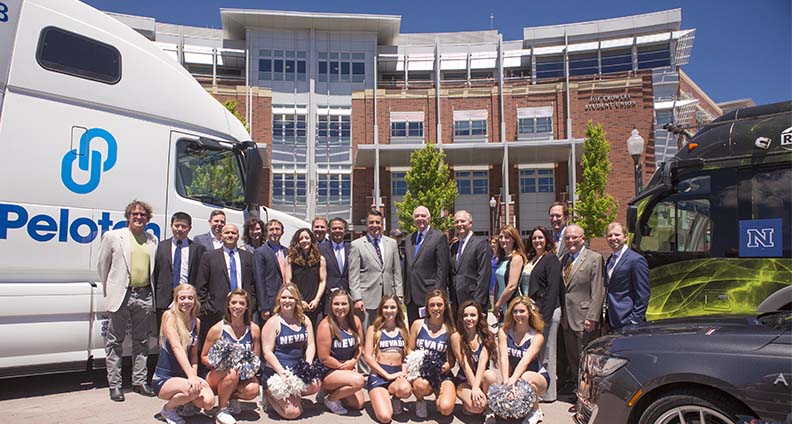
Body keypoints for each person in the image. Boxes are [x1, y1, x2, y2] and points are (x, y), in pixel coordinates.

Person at [97, 200, 158, 402]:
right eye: (135, 214)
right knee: (115, 342)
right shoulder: (114, 237)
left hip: (144, 296)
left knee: (142, 341)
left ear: (148, 219)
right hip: (122, 295)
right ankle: (115, 385)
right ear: (128, 216)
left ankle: (139, 382)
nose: (138, 217)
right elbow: (103, 267)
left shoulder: (152, 240)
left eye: (142, 215)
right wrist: (111, 291)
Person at [195, 224, 257, 376]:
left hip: (242, 310)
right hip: (215, 311)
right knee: (212, 346)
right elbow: (201, 285)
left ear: (238, 236)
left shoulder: (247, 256)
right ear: (221, 236)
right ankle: (209, 378)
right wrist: (205, 308)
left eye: (233, 233)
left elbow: (253, 283)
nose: (230, 235)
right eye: (227, 232)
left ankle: (241, 375)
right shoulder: (209, 256)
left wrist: (251, 305)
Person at [152, 284, 215, 424]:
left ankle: (185, 403)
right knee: (190, 389)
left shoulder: (196, 322)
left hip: (184, 375)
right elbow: (176, 347)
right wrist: (192, 378)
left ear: (195, 301)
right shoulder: (169, 316)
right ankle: (168, 409)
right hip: (164, 377)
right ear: (176, 300)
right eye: (182, 298)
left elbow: (193, 355)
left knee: (209, 402)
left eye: (190, 298)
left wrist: (194, 375)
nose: (186, 301)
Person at [559, 224, 604, 413]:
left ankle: (588, 400)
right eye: (567, 238)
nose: (570, 241)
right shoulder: (563, 260)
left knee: (587, 363)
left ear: (582, 239)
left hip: (585, 318)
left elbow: (598, 290)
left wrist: (592, 316)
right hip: (568, 319)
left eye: (574, 237)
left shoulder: (594, 259)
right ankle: (579, 396)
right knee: (574, 361)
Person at [260, 284, 321, 419]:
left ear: (297, 301)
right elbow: (267, 353)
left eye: (291, 298)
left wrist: (308, 364)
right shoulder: (273, 322)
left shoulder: (304, 320)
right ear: (279, 300)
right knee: (293, 413)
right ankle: (267, 395)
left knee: (315, 384)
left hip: (297, 369)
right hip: (277, 372)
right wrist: (282, 373)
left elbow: (310, 344)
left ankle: (292, 397)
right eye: (284, 298)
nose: (287, 301)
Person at [201, 289, 260, 424]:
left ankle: (232, 399)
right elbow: (203, 356)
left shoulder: (254, 329)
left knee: (253, 389)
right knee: (232, 372)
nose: (237, 306)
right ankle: (222, 410)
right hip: (217, 374)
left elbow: (255, 358)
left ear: (247, 307)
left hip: (241, 375)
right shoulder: (217, 329)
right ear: (228, 305)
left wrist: (249, 369)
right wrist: (219, 363)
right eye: (233, 302)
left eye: (241, 303)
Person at [348, 210, 403, 343]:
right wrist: (357, 298)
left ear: (382, 224)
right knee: (366, 335)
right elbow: (353, 274)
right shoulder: (357, 245)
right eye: (371, 222)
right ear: (366, 224)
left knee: (387, 333)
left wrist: (399, 295)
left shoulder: (392, 243)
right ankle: (364, 364)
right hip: (367, 299)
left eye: (377, 222)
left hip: (388, 298)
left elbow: (396, 271)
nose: (374, 225)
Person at [498, 296, 550, 424]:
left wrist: (512, 382)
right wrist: (506, 382)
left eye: (522, 311)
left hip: (536, 376)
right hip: (514, 377)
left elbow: (525, 361)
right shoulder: (504, 332)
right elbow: (503, 358)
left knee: (526, 377)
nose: (518, 315)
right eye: (515, 311)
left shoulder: (537, 337)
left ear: (529, 313)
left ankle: (536, 411)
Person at [525, 226, 561, 402]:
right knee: (538, 353)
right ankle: (538, 389)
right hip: (535, 312)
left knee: (547, 354)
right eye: (534, 238)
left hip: (548, 313)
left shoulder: (551, 259)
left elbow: (553, 290)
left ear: (547, 239)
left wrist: (544, 319)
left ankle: (549, 393)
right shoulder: (534, 258)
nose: (537, 241)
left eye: (540, 238)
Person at [153, 212, 206, 331]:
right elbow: (156, 273)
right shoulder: (162, 246)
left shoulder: (197, 249)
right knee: (165, 336)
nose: (180, 229)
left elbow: (200, 276)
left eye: (184, 226)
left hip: (188, 301)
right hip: (165, 301)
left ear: (189, 228)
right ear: (171, 226)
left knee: (187, 335)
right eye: (177, 226)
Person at [315, 290, 365, 415]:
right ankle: (329, 398)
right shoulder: (325, 326)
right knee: (359, 381)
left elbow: (360, 346)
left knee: (358, 404)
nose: (340, 308)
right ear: (331, 305)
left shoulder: (356, 321)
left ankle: (333, 392)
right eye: (336, 304)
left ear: (350, 305)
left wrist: (353, 361)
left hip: (347, 367)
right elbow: (324, 358)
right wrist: (344, 367)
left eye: (344, 304)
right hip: (330, 370)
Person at [408, 289, 456, 419]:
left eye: (439, 305)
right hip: (422, 374)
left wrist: (437, 370)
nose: (436, 308)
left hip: (442, 373)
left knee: (445, 409)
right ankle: (420, 400)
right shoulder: (417, 324)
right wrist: (417, 367)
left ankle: (439, 398)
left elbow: (451, 362)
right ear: (427, 307)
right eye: (432, 305)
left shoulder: (450, 330)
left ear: (445, 307)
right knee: (420, 385)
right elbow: (410, 349)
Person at [363, 295, 412, 423]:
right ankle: (381, 396)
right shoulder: (373, 329)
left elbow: (406, 356)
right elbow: (367, 357)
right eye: (386, 307)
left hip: (396, 375)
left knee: (405, 390)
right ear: (381, 309)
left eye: (392, 307)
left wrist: (404, 373)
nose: (389, 310)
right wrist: (386, 375)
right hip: (379, 375)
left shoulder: (403, 330)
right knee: (385, 417)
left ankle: (395, 398)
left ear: (398, 309)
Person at [450, 301, 498, 423]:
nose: (469, 318)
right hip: (464, 381)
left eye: (473, 315)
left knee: (490, 375)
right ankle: (471, 405)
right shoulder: (456, 337)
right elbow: (464, 365)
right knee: (477, 407)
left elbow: (482, 364)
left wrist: (477, 388)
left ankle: (489, 409)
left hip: (482, 379)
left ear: (479, 317)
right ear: (461, 317)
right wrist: (474, 388)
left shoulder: (486, 336)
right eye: (465, 315)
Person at [404, 206, 450, 323]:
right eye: (417, 216)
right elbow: (407, 268)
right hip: (411, 297)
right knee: (414, 330)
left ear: (429, 218)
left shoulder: (438, 237)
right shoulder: (409, 238)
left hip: (429, 295)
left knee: (430, 330)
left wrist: (438, 295)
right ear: (413, 219)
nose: (420, 218)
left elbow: (442, 269)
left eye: (423, 216)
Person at [604, 222, 650, 330]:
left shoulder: (636, 260)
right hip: (612, 320)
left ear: (625, 237)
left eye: (617, 235)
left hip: (628, 321)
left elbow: (643, 293)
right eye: (609, 235)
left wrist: (635, 320)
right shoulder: (611, 259)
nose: (613, 238)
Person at [449, 210, 492, 310]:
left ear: (470, 223)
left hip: (473, 301)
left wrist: (477, 303)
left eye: (463, 221)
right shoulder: (453, 247)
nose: (459, 224)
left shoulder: (481, 244)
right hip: (456, 302)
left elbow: (484, 276)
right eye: (457, 222)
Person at [284, 228, 326, 326]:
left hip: (314, 304)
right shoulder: (290, 259)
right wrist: (299, 300)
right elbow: (288, 281)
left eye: (307, 238)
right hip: (297, 304)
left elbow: (322, 281)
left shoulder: (320, 259)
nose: (304, 241)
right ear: (297, 242)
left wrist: (317, 299)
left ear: (311, 239)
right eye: (301, 238)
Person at [253, 219, 288, 322]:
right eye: (271, 229)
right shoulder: (260, 252)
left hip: (286, 299)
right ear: (266, 233)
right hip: (270, 302)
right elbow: (259, 280)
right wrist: (263, 307)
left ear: (282, 232)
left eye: (277, 229)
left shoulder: (287, 251)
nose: (274, 232)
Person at [493, 225, 528, 320]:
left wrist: (498, 304)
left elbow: (512, 286)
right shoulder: (502, 258)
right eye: (500, 237)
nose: (503, 240)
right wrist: (496, 302)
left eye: (507, 237)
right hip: (501, 304)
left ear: (513, 239)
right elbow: (498, 283)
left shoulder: (516, 258)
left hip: (512, 303)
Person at [318, 217, 350, 314]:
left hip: (347, 299)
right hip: (327, 299)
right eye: (334, 228)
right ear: (329, 230)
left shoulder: (352, 248)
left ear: (345, 231)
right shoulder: (320, 249)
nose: (337, 231)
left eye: (340, 228)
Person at [489, 236, 499, 310]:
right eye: (491, 243)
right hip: (490, 284)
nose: (492, 245)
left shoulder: (500, 257)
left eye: (494, 243)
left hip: (497, 283)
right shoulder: (490, 256)